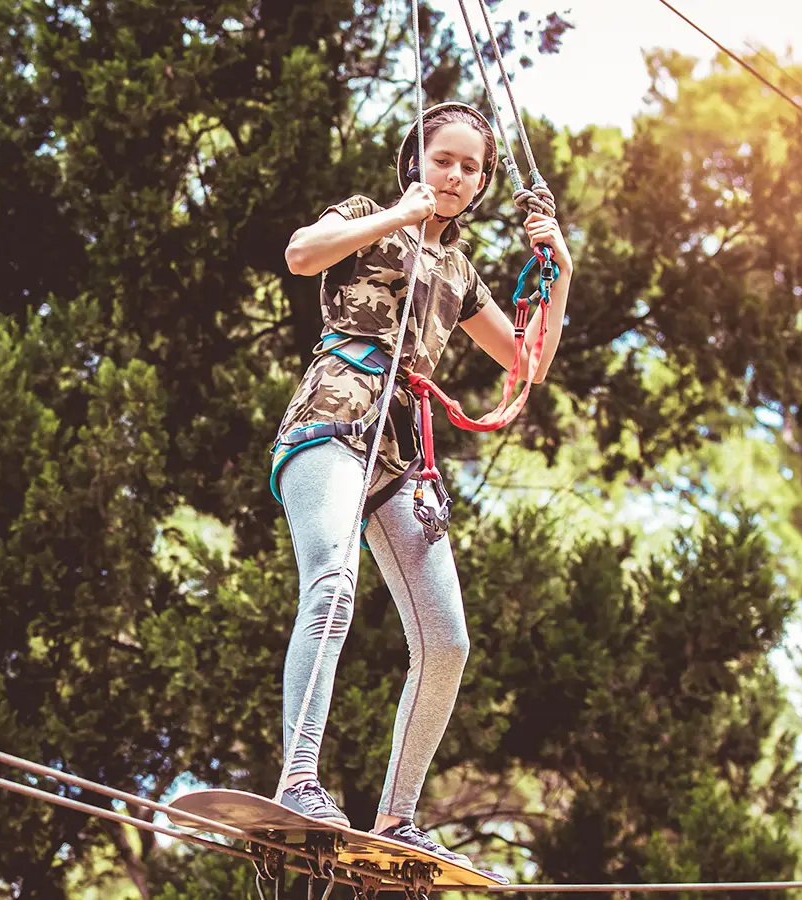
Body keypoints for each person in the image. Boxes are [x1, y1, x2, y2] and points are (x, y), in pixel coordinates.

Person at [268, 100, 572, 866]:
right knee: (332, 586)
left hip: (399, 452)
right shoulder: (371, 213)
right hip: (332, 419)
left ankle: (397, 819)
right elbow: (303, 254)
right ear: (416, 162)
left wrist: (558, 276)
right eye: (444, 160)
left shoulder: (460, 272)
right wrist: (396, 215)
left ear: (480, 184)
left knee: (447, 641)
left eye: (470, 168)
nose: (455, 176)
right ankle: (297, 781)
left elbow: (525, 365)